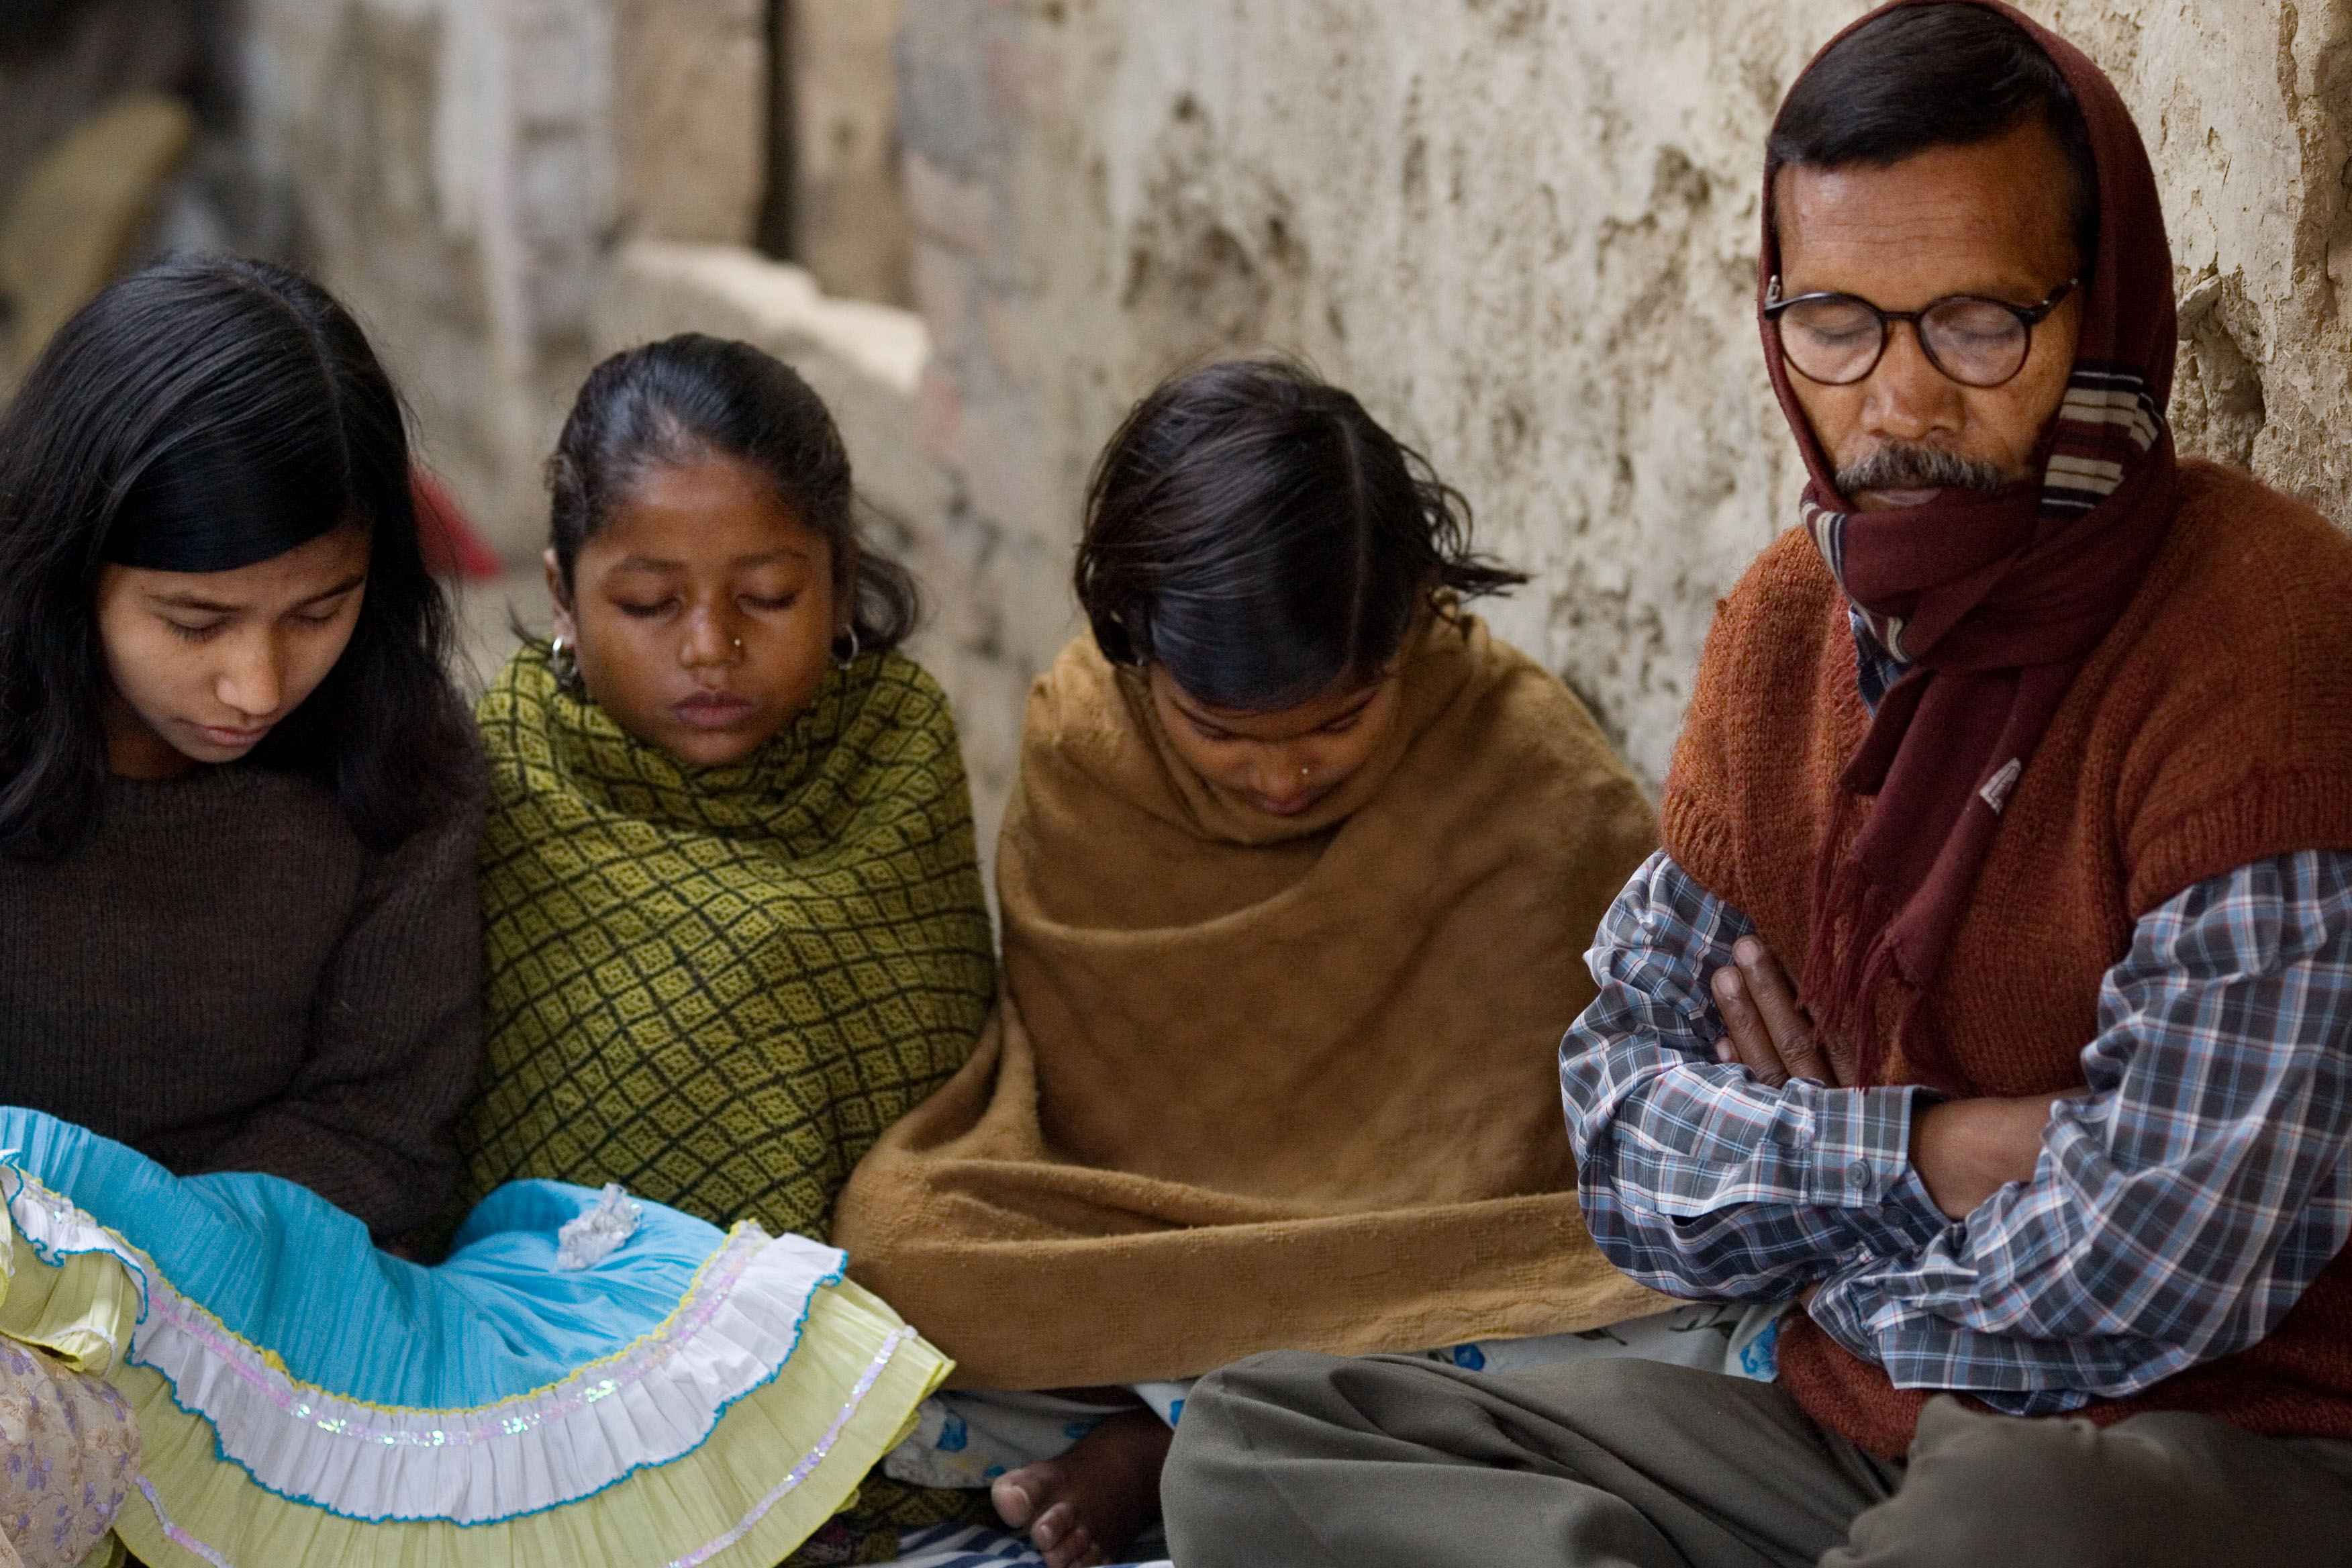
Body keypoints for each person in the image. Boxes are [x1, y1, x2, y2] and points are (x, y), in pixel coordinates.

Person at [1159, 6, 2352, 1566]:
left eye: (1977, 323)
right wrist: (1922, 1151)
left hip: (2192, 1449)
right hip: (1841, 1434)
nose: (1898, 403)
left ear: (2101, 306)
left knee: (2006, 1519)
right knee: (1258, 1442)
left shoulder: (2261, 638)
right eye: (1835, 323)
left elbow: (2154, 1260)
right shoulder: (1792, 625)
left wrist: (1808, 1258)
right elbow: (1620, 1128)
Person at [0, 263, 955, 1568]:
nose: (256, 682)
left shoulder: (401, 769)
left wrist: (144, 1274)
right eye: (194, 620)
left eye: (318, 612)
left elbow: (378, 1127)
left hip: (278, 1321)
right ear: (66, 569)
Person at [835, 359, 1767, 1568]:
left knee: (1711, 1312)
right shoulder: (1087, 742)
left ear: (1413, 617)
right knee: (897, 1254)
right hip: (1155, 1247)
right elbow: (1087, 1096)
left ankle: (1167, 1431)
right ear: (1134, 647)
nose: (1282, 776)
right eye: (1218, 731)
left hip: (1438, 1264)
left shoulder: (1524, 763)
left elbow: (1595, 1129)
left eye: (1340, 721)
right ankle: (1233, 1417)